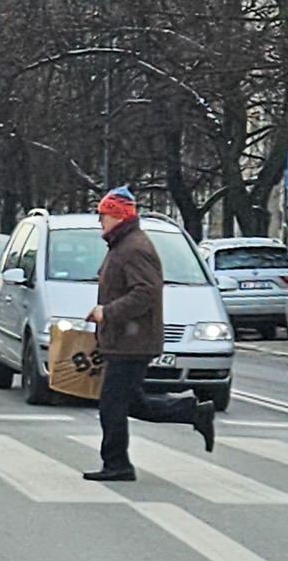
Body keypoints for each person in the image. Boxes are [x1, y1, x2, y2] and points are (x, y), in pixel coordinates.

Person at [82, 186, 214, 481]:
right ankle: (193, 411)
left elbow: (146, 293)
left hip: (132, 340)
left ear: (118, 216)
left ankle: (117, 464)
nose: (99, 220)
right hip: (126, 339)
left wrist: (108, 312)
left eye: (103, 214)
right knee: (132, 402)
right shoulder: (123, 244)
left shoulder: (134, 248)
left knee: (112, 404)